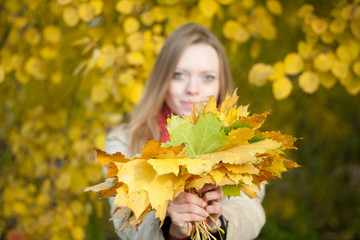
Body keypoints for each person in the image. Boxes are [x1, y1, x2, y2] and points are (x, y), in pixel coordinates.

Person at [104, 22, 266, 240]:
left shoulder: (239, 143)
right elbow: (126, 220)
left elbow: (251, 211)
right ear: (163, 79)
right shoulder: (126, 142)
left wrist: (218, 223)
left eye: (207, 77)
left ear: (220, 83)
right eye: (179, 74)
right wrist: (168, 224)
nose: (193, 88)